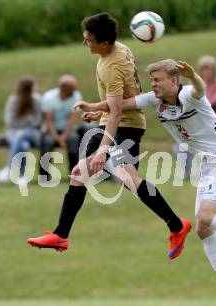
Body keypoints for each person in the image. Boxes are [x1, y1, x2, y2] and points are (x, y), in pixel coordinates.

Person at [89, 59, 216, 306]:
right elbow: (122, 104)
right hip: (208, 168)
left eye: (158, 79)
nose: (153, 84)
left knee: (207, 216)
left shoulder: (189, 94)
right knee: (203, 228)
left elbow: (199, 88)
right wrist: (95, 108)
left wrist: (193, 75)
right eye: (152, 79)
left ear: (174, 81)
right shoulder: (155, 101)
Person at [27, 12, 191, 260]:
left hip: (123, 126)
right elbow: (118, 103)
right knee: (81, 174)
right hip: (114, 123)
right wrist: (97, 109)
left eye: (88, 39)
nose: (85, 43)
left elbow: (117, 112)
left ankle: (177, 226)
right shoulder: (114, 51)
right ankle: (61, 235)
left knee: (127, 179)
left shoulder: (113, 65)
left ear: (104, 43)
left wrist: (103, 149)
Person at [0, 76, 42, 186]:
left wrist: (23, 128)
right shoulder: (12, 101)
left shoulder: (36, 100)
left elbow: (38, 121)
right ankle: (21, 177)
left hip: (32, 133)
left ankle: (9, 168)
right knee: (24, 145)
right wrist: (24, 125)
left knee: (21, 136)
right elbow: (9, 121)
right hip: (13, 133)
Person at [39, 75, 82, 180]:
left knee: (73, 141)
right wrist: (57, 137)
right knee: (47, 143)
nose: (75, 90)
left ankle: (73, 175)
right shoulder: (49, 98)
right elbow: (49, 121)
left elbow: (72, 119)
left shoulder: (76, 96)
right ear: (64, 88)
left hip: (67, 129)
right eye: (72, 88)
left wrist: (64, 136)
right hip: (50, 130)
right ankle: (44, 176)